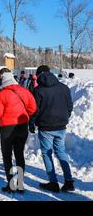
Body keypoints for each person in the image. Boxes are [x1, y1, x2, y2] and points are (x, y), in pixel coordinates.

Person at [30, 65, 75, 193]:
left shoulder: (39, 90)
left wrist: (31, 123)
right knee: (61, 152)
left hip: (46, 127)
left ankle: (53, 182)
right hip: (61, 126)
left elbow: (35, 111)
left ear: (39, 75)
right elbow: (69, 106)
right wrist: (65, 117)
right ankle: (69, 181)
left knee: (47, 153)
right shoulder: (64, 87)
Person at [0, 72, 37, 193]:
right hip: (22, 126)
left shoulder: (1, 94)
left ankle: (11, 185)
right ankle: (20, 184)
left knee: (7, 156)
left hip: (7, 128)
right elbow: (33, 108)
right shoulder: (24, 91)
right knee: (19, 155)